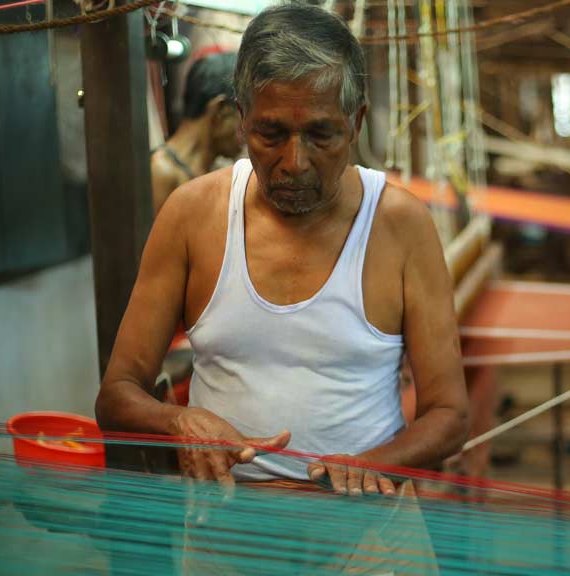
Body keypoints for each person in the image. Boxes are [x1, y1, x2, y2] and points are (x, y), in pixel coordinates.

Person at [97, 4, 469, 496]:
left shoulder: (399, 224)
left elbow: (449, 415)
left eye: (321, 134)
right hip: (227, 530)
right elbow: (116, 395)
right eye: (271, 134)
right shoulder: (192, 215)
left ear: (355, 125)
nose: (295, 162)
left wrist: (371, 463)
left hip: (367, 533)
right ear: (240, 120)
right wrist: (180, 422)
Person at [150, 51, 245, 215]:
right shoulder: (162, 172)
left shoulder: (214, 172)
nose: (249, 128)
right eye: (243, 113)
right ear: (220, 111)